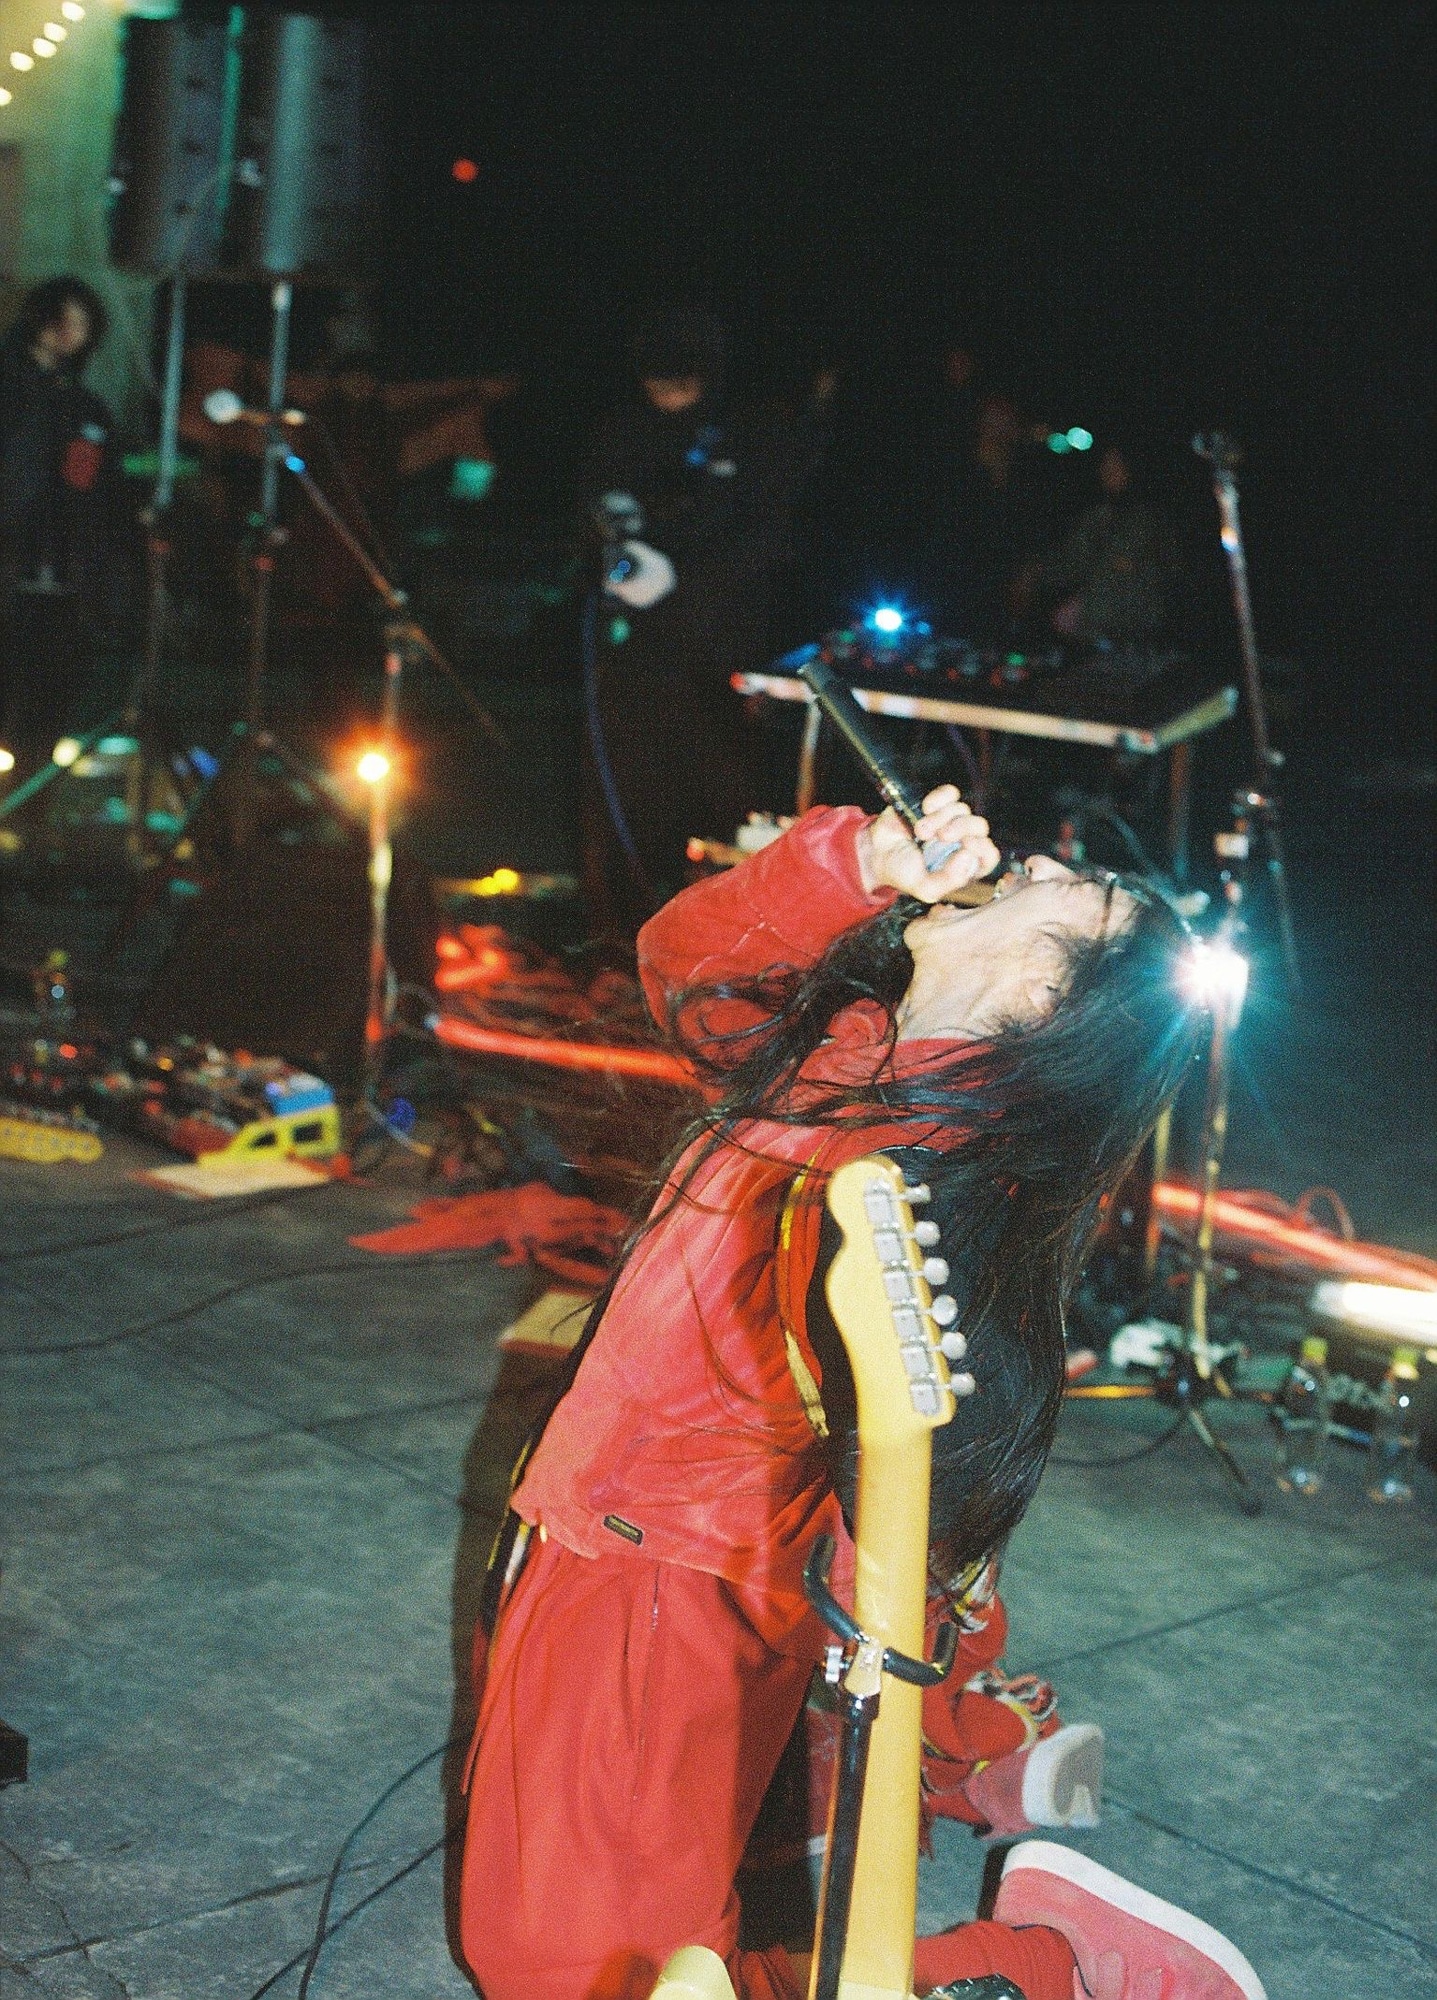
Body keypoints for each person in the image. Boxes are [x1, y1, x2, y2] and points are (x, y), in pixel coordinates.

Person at [458, 787, 1266, 2000]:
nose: (1027, 860)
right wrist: (852, 862)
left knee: (574, 1977)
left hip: (669, 1584)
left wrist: (904, 1693)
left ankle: (1036, 1962)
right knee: (562, 1947)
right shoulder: (854, 1046)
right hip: (596, 1531)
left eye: (1063, 889)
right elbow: (684, 968)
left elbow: (915, 1507)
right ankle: (899, 1797)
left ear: (1043, 997)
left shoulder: (927, 1176)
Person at [579, 307, 830, 937]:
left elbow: (771, 537)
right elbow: (589, 511)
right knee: (622, 790)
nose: (667, 396)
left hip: (718, 650)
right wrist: (610, 545)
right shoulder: (620, 431)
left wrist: (683, 579)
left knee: (719, 791)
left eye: (681, 384)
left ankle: (721, 937)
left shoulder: (751, 433)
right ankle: (617, 931)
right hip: (633, 654)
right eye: (656, 383)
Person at [0, 277, 119, 764]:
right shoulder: (15, 392)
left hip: (63, 578)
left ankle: (30, 798)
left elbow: (97, 489)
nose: (71, 333)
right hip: (14, 567)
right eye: (63, 319)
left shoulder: (82, 405)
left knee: (45, 708)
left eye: (82, 323)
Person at [1026, 442, 1187, 651]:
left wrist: (1082, 609)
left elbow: (1134, 577)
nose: (1108, 471)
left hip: (1138, 635)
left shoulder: (1150, 520)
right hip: (1096, 635)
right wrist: (1035, 574)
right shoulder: (1098, 516)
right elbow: (1072, 563)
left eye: (1116, 465)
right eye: (1105, 465)